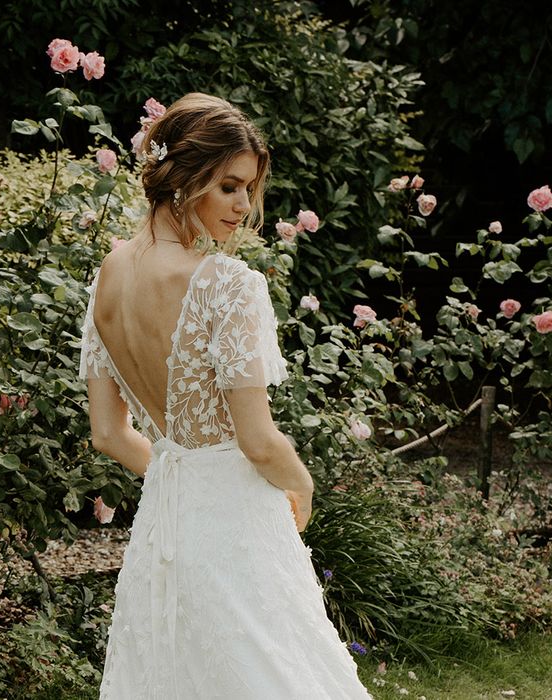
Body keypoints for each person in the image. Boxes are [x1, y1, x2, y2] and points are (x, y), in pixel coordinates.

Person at [79, 92, 372, 699]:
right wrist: (301, 483)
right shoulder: (226, 284)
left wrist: (178, 472)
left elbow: (108, 435)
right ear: (184, 177)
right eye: (230, 187)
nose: (243, 206)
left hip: (164, 519)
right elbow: (258, 440)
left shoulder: (108, 273)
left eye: (248, 189)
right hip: (235, 517)